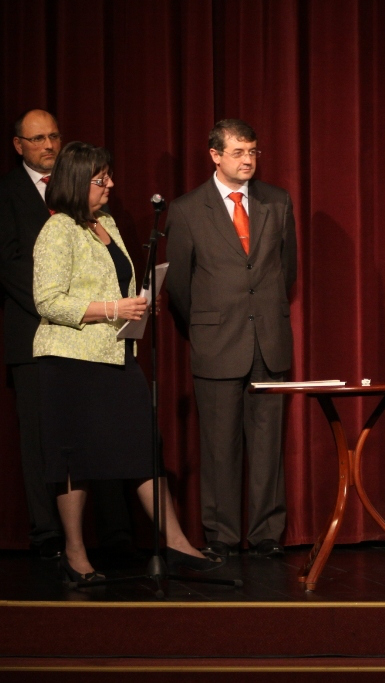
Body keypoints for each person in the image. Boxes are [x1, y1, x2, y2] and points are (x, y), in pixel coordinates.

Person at [33, 141, 221, 581]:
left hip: (116, 354)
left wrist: (138, 304)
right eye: (101, 179)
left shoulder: (108, 224)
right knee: (74, 458)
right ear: (77, 182)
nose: (111, 185)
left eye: (109, 176)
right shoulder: (58, 229)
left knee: (143, 447)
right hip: (70, 361)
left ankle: (176, 544)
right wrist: (114, 308)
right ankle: (75, 554)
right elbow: (48, 302)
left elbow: (115, 285)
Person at [0, 109, 132, 560]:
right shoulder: (4, 193)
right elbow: (10, 266)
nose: (48, 145)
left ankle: (115, 533)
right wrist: (62, 311)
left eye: (53, 136)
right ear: (18, 145)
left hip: (97, 335)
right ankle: (49, 535)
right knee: (44, 439)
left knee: (102, 434)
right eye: (37, 139)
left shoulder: (96, 205)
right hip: (36, 333)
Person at [166, 119, 297, 559]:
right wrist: (207, 324)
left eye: (253, 152)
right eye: (239, 152)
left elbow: (287, 269)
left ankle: (266, 534)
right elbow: (179, 286)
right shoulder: (187, 209)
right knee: (220, 447)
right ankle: (221, 535)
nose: (248, 160)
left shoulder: (277, 201)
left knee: (267, 446)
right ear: (215, 155)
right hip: (216, 342)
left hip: (269, 341)